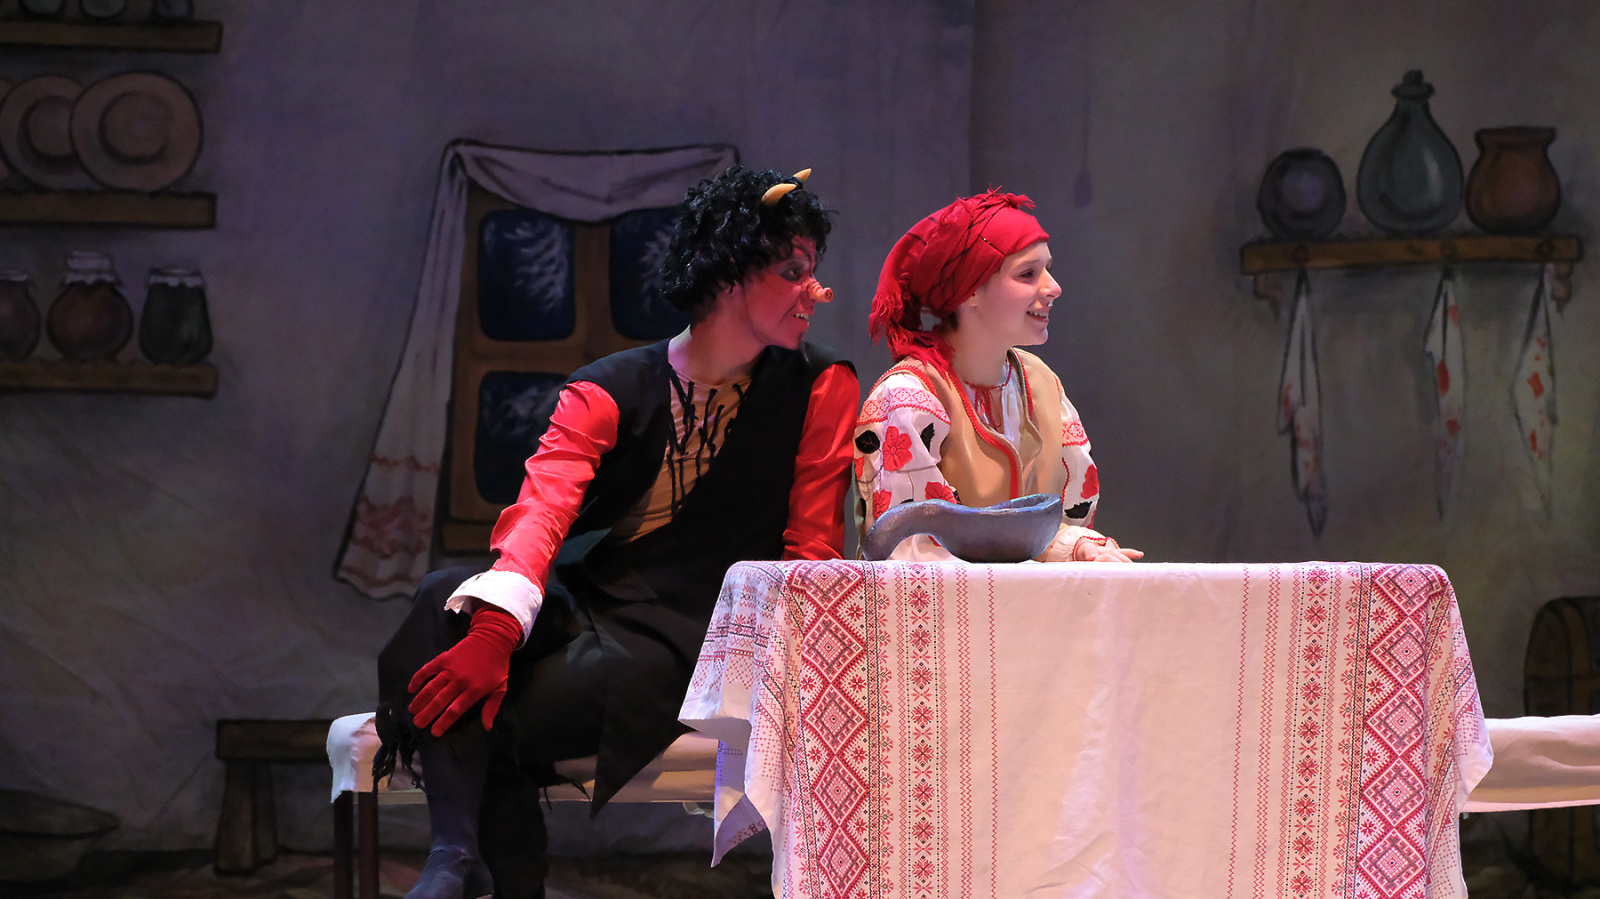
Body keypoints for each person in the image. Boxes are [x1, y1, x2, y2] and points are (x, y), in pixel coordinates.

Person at [375, 166, 858, 899]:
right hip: (594, 600)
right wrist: (495, 633)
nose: (815, 292)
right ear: (729, 274)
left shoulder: (820, 386)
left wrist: (786, 681)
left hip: (697, 631)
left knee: (490, 712)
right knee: (443, 597)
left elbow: (811, 554)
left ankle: (469, 866)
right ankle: (455, 854)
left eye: (813, 271)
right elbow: (542, 511)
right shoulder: (609, 387)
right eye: (793, 271)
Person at [855, 190, 1140, 563]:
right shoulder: (910, 398)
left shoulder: (1042, 385)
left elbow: (1058, 524)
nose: (1053, 287)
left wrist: (1078, 548)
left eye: (1048, 269)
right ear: (970, 289)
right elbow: (911, 552)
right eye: (1027, 274)